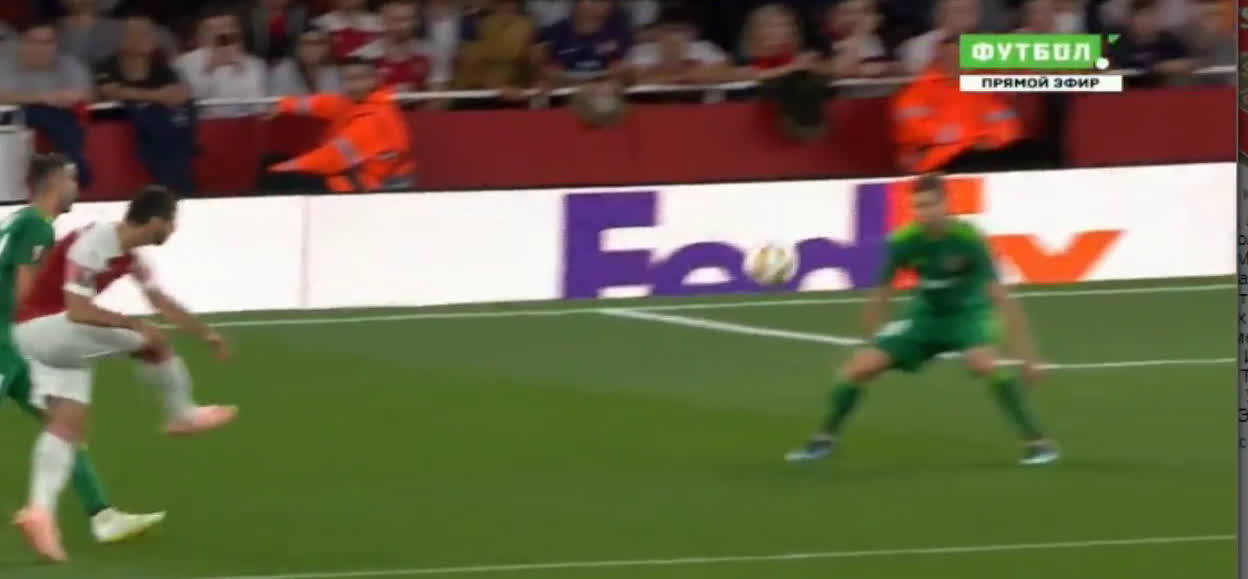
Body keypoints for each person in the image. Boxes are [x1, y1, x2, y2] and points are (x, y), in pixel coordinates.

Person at [11, 184, 238, 563]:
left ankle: (39, 511)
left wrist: (205, 334)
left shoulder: (130, 257)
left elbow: (160, 300)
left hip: (47, 334)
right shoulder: (94, 243)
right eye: (172, 221)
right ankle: (181, 414)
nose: (174, 228)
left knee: (67, 424)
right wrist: (134, 324)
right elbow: (79, 310)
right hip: (45, 328)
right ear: (155, 220)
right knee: (152, 341)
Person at [785, 173, 1060, 467]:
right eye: (917, 206)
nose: (922, 213)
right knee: (860, 368)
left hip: (968, 314)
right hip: (925, 316)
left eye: (929, 205)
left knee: (983, 362)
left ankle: (1037, 443)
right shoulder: (905, 241)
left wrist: (1027, 355)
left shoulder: (968, 240)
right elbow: (882, 292)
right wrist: (870, 340)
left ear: (946, 205)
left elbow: (1000, 295)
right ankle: (824, 440)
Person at [0, 155, 167, 550]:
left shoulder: (23, 221)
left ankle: (102, 516)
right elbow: (25, 295)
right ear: (56, 182)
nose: (77, 187)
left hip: (15, 349)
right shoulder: (37, 227)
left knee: (64, 425)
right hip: (6, 346)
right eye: (72, 179)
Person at [267, 57, 414, 193]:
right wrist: (284, 105)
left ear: (375, 79)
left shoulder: (375, 118)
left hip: (370, 187)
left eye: (360, 78)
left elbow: (332, 158)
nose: (354, 85)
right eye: (348, 79)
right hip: (352, 173)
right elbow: (320, 103)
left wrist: (287, 167)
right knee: (271, 161)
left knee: (279, 177)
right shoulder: (355, 102)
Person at [95, 13, 195, 193]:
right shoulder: (106, 66)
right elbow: (111, 92)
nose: (148, 37)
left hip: (162, 140)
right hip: (117, 137)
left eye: (150, 32)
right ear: (123, 40)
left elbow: (181, 94)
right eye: (139, 32)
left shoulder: (163, 69)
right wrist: (158, 97)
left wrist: (137, 97)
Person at [174, 5, 266, 119]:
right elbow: (189, 105)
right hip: (204, 126)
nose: (222, 33)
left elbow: (259, 108)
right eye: (213, 29)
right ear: (200, 35)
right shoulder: (185, 63)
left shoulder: (255, 64)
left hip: (244, 125)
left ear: (238, 31)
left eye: (228, 26)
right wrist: (210, 69)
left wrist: (243, 71)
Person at [268, 25, 342, 96]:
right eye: (306, 43)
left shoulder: (337, 73)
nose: (312, 48)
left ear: (328, 47)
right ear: (298, 47)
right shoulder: (284, 71)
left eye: (318, 43)